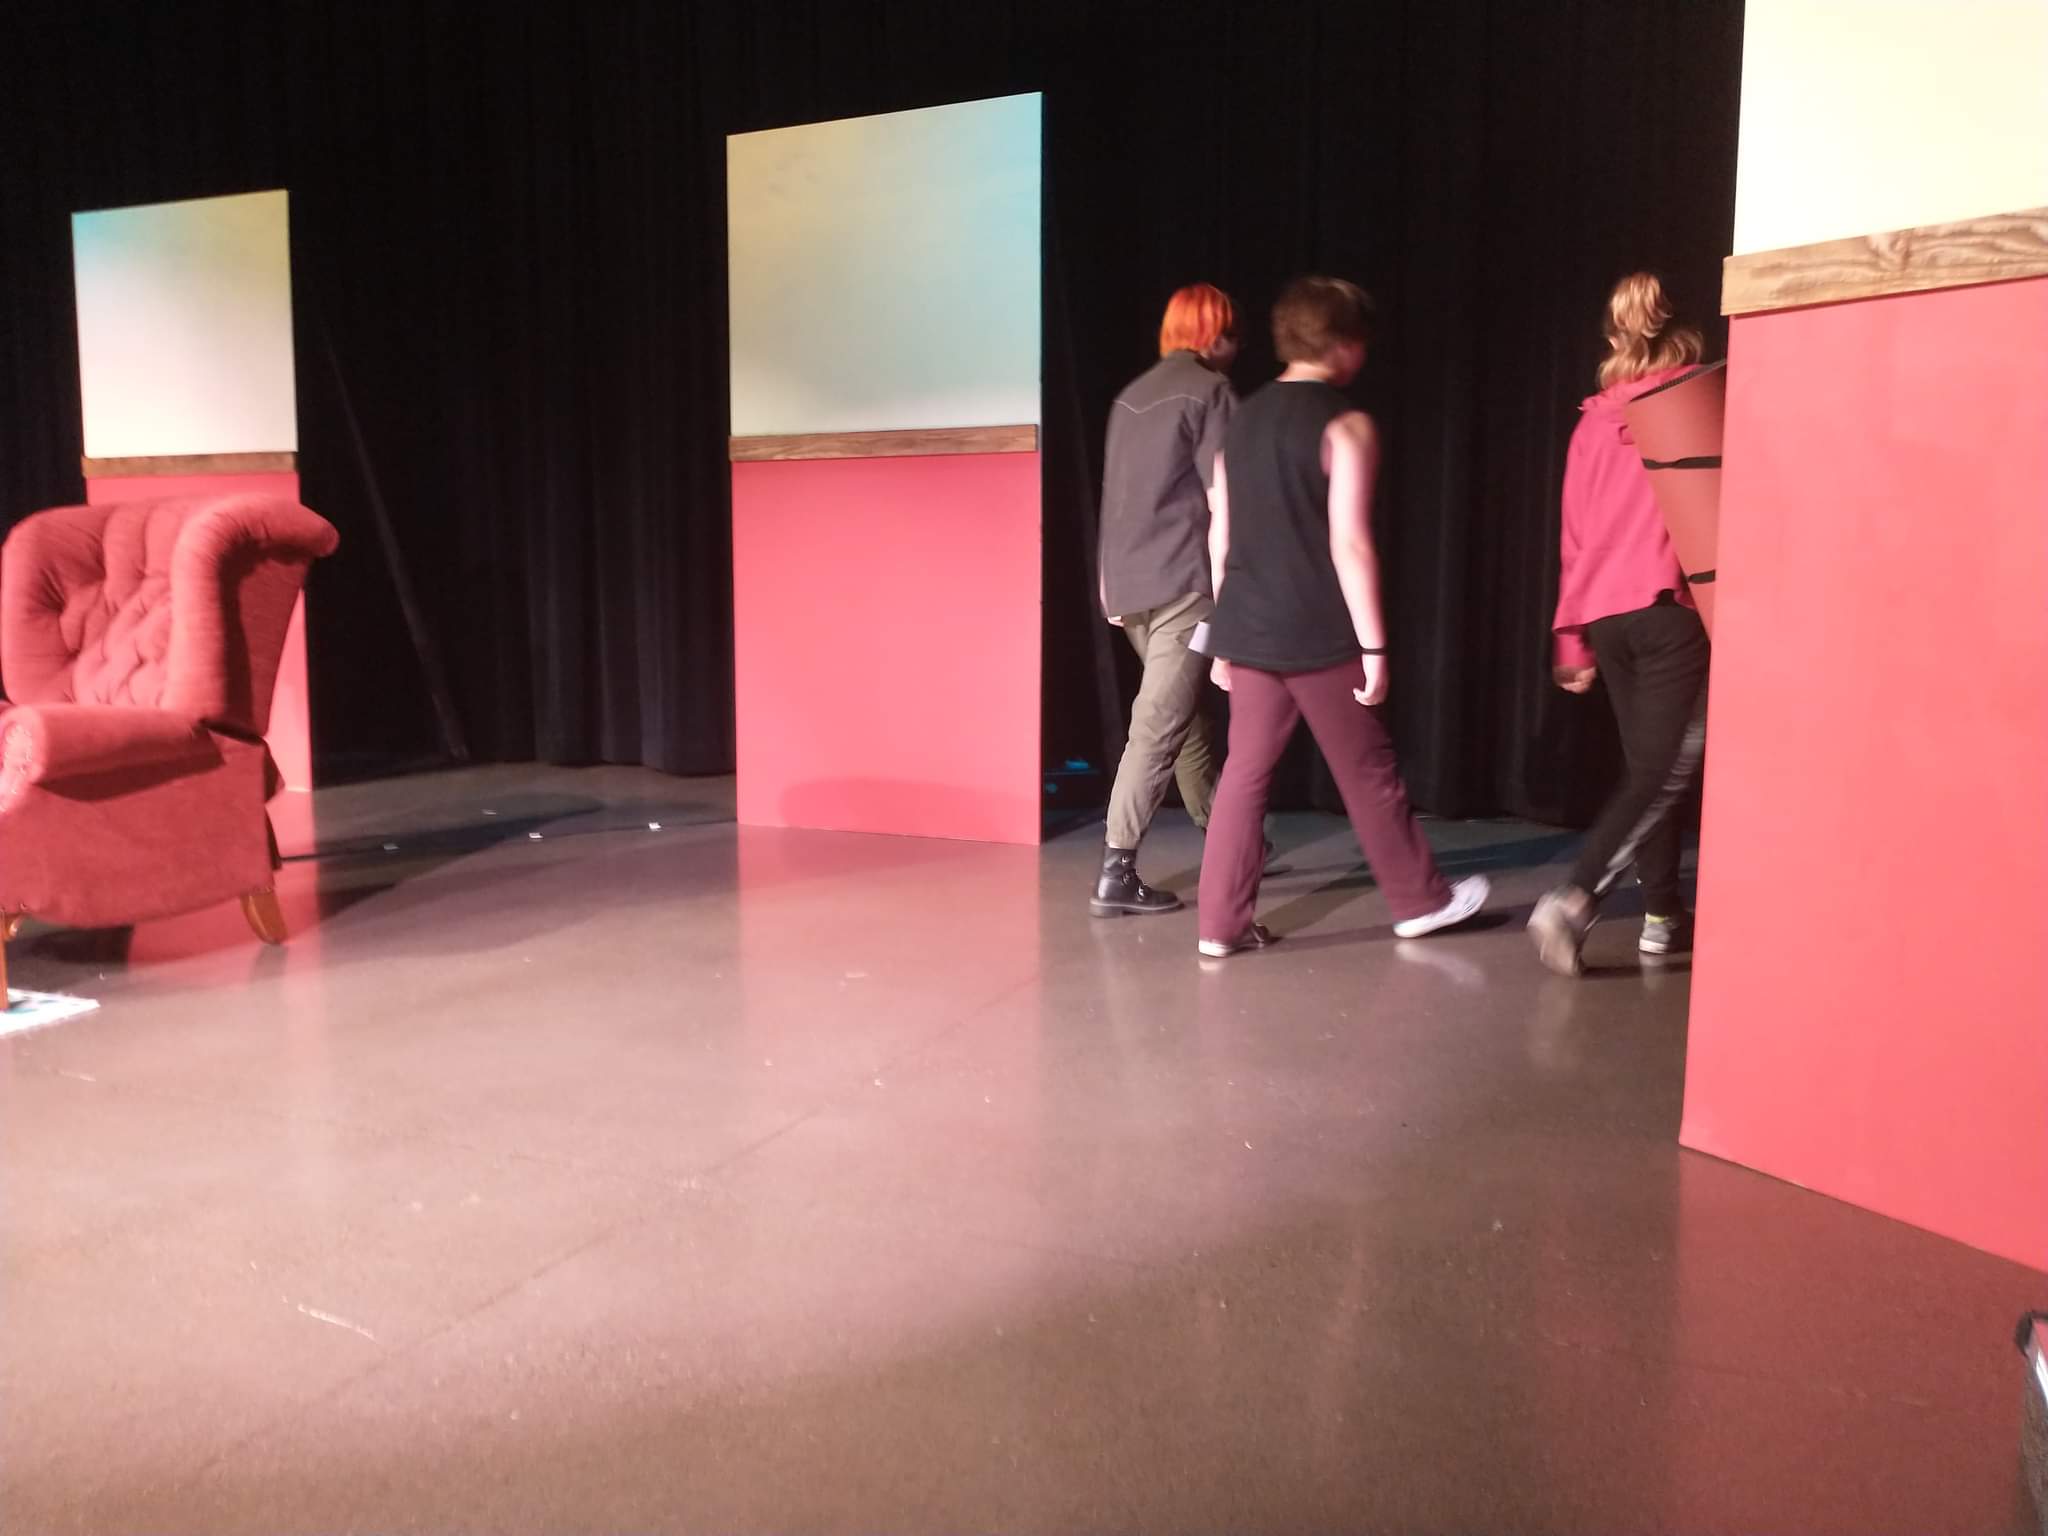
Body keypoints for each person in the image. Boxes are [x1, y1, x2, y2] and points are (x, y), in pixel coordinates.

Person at [1195, 277, 1488, 957]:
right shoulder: (1345, 425)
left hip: (1250, 626)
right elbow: (1349, 543)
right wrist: (1374, 649)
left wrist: (1223, 635)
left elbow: (1220, 534)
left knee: (1243, 774)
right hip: (1319, 632)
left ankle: (1219, 925)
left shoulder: (1239, 424)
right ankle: (1420, 902)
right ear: (1345, 345)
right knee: (1367, 770)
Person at [1527, 272, 1711, 976]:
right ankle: (1575, 897)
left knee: (1647, 769)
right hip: (1670, 612)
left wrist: (1571, 640)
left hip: (1608, 616)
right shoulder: (1696, 402)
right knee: (1661, 774)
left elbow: (1574, 537)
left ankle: (1662, 915)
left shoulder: (1592, 423)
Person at [1092, 283, 1240, 917]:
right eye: (1229, 330)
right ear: (1212, 334)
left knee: (1184, 716)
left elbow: (1115, 495)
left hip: (1130, 583)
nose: (1235, 343)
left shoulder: (1130, 396)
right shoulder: (1211, 391)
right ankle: (1117, 869)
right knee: (1159, 723)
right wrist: (1228, 595)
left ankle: (1226, 838)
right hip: (1183, 580)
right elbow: (1223, 500)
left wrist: (1107, 586)